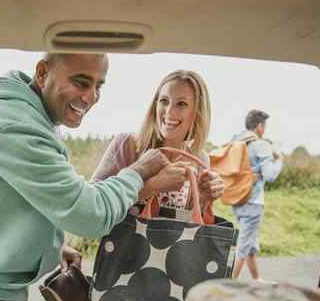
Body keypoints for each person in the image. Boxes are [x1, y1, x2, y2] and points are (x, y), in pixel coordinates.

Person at [0, 53, 177, 301]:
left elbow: (22, 199)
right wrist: (138, 173)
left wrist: (49, 247)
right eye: (81, 82)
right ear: (42, 73)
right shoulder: (12, 125)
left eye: (98, 86)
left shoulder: (32, 116)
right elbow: (89, 214)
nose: (90, 98)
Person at [92, 70, 225, 215]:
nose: (169, 112)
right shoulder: (127, 144)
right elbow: (92, 205)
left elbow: (189, 225)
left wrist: (204, 197)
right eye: (164, 101)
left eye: (181, 104)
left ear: (197, 112)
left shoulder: (199, 158)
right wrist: (152, 187)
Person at [230, 109, 283, 281]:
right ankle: (228, 284)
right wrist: (279, 159)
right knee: (243, 247)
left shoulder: (236, 141)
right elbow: (270, 175)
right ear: (259, 126)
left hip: (237, 199)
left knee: (250, 244)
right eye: (264, 126)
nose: (264, 130)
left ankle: (257, 280)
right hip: (253, 202)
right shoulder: (261, 144)